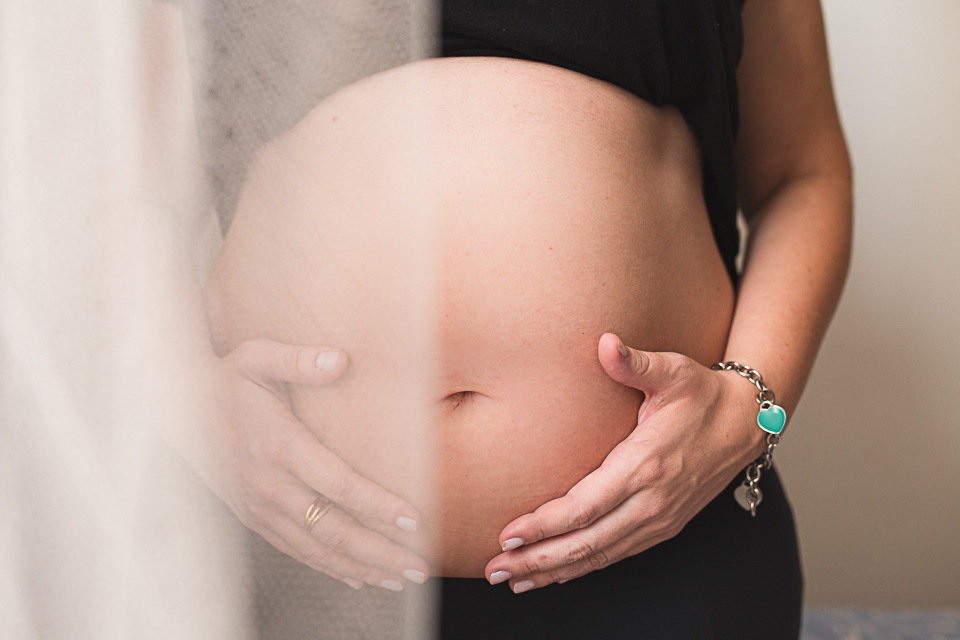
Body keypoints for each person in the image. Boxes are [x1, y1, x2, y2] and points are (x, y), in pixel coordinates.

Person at [156, 0, 852, 637]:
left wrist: (749, 407)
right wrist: (181, 390)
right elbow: (93, 186)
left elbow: (802, 172)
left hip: (664, 531)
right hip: (280, 539)